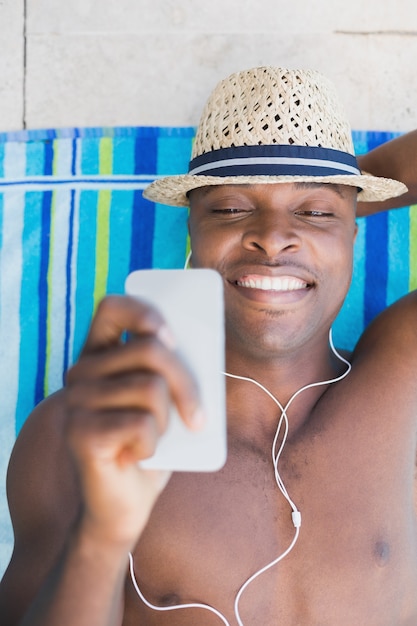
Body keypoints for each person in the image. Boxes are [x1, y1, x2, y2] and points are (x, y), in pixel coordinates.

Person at [0, 66, 416, 626]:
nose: (270, 236)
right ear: (192, 231)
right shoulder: (89, 432)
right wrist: (100, 535)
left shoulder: (403, 375)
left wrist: (343, 191)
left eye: (318, 213)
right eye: (230, 208)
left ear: (353, 234)